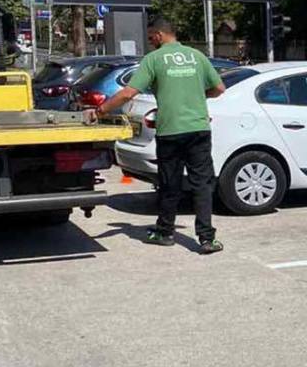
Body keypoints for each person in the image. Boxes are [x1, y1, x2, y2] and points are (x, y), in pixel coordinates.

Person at [87, 17, 226, 254]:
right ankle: (207, 238)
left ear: (160, 35)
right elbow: (219, 88)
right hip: (199, 129)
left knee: (170, 184)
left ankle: (165, 232)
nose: (150, 41)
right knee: (202, 184)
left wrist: (100, 111)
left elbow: (128, 93)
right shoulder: (197, 56)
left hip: (171, 131)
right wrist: (197, 96)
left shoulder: (154, 59)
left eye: (151, 36)